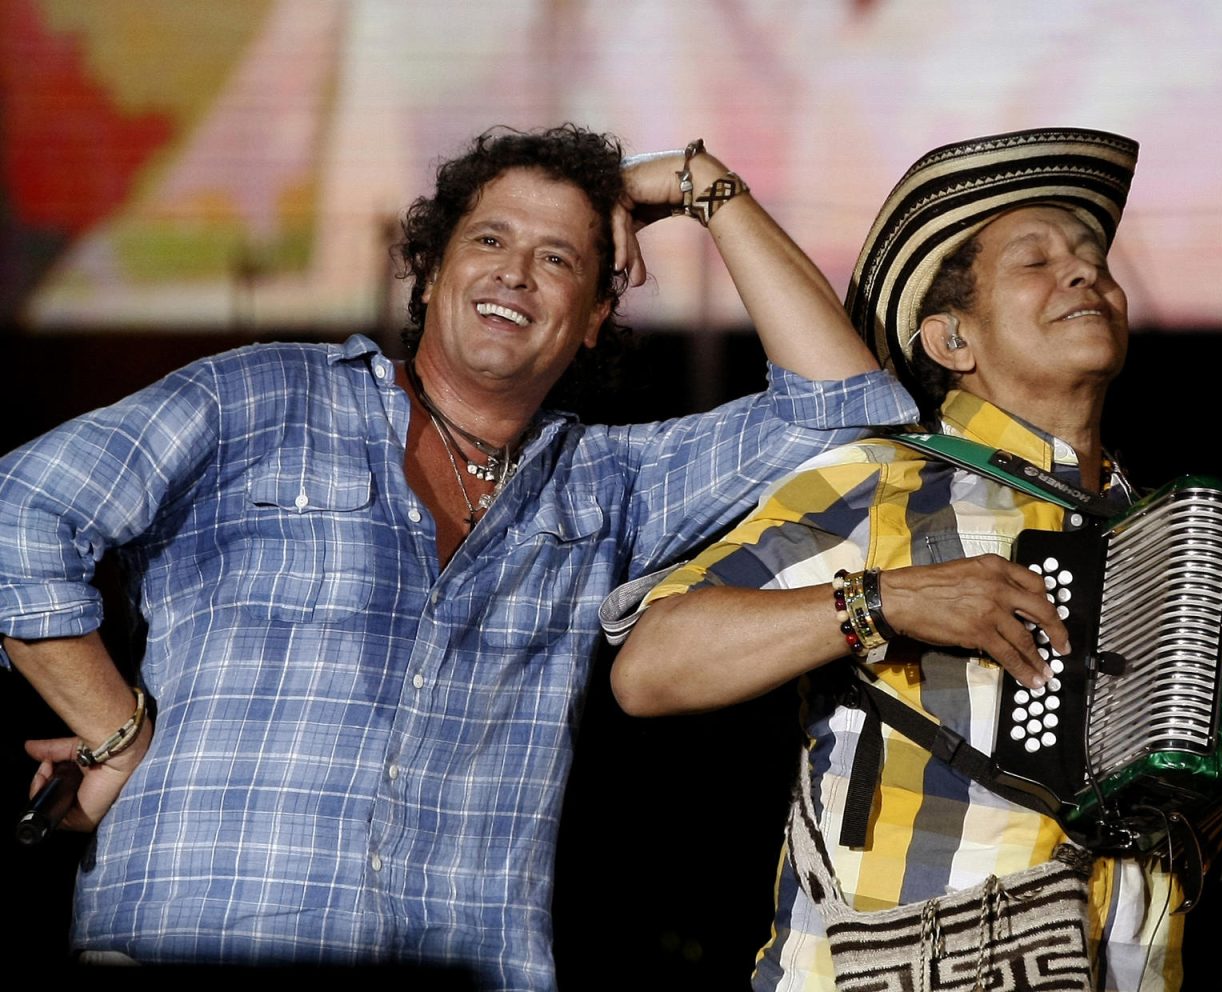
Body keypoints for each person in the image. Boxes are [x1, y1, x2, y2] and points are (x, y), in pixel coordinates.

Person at [0, 123, 918, 991]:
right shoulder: (260, 397)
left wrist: (699, 185)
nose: (517, 274)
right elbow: (20, 512)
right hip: (197, 944)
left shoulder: (603, 483)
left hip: (463, 962)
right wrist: (117, 730)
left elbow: (845, 408)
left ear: (597, 314)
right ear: (433, 270)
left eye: (559, 259)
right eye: (490, 240)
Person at [608, 127, 1222, 991]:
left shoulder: (1173, 546)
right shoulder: (887, 480)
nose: (1087, 270)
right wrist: (882, 603)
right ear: (951, 340)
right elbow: (651, 665)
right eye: (1037, 260)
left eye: (1094, 259)